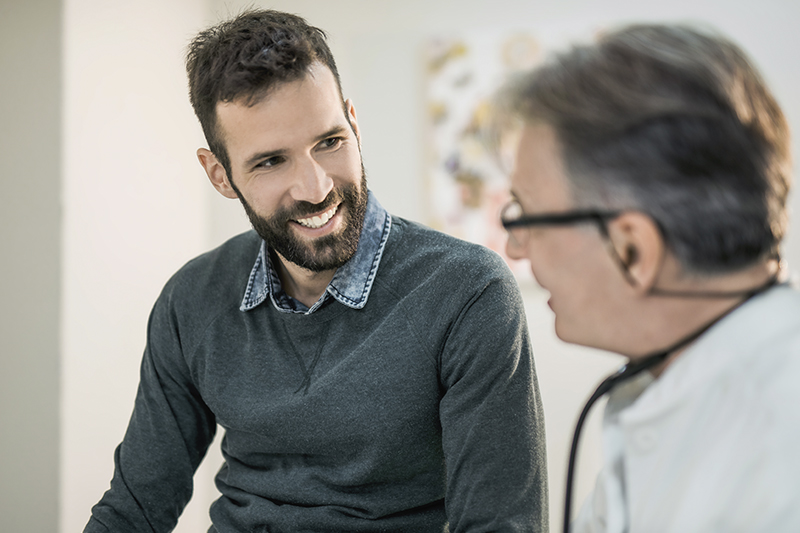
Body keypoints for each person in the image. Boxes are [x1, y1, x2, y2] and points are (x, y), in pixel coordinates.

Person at [84, 8, 548, 533]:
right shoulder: (191, 298)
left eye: (329, 142)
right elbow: (135, 508)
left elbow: (499, 525)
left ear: (353, 121)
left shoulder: (468, 294)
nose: (316, 188)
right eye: (270, 162)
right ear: (220, 175)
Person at [497, 23, 800, 533]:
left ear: (632, 250)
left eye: (526, 219)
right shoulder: (665, 382)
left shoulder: (779, 456)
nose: (514, 248)